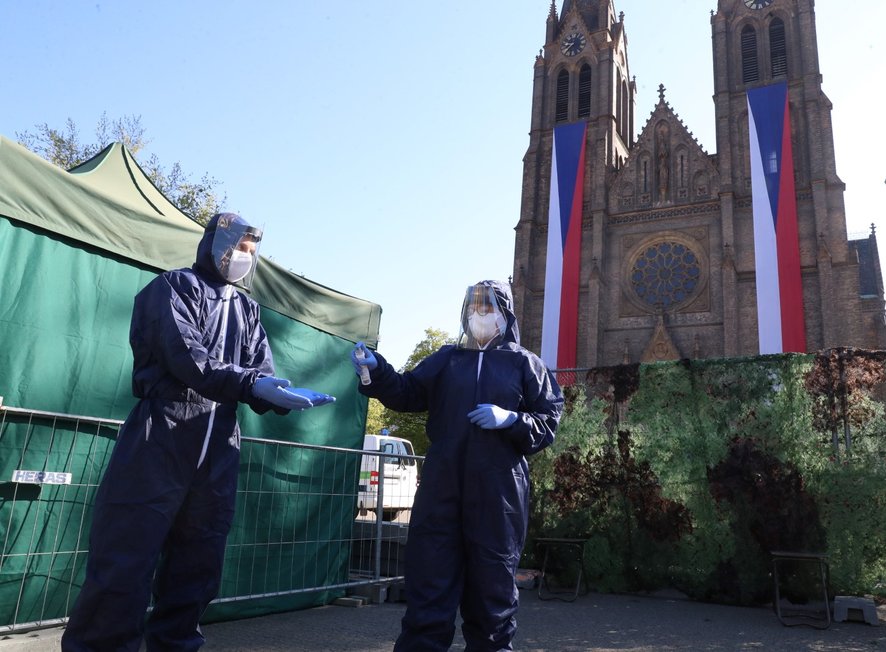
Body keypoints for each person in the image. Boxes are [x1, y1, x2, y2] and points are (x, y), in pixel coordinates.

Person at [62, 213, 334, 652]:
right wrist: (250, 384)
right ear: (212, 242)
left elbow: (258, 370)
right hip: (161, 433)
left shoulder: (247, 308)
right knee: (126, 559)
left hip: (219, 445)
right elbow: (188, 359)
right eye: (236, 246)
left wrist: (276, 394)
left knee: (198, 563)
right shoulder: (172, 287)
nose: (243, 257)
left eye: (250, 250)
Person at [350, 280, 563, 651]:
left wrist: (511, 420)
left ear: (505, 313)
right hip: (441, 491)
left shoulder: (524, 363)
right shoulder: (447, 360)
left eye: (488, 308)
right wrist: (375, 370)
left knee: (492, 600)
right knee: (428, 593)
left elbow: (548, 422)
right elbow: (407, 391)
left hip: (499, 496)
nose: (479, 315)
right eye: (473, 308)